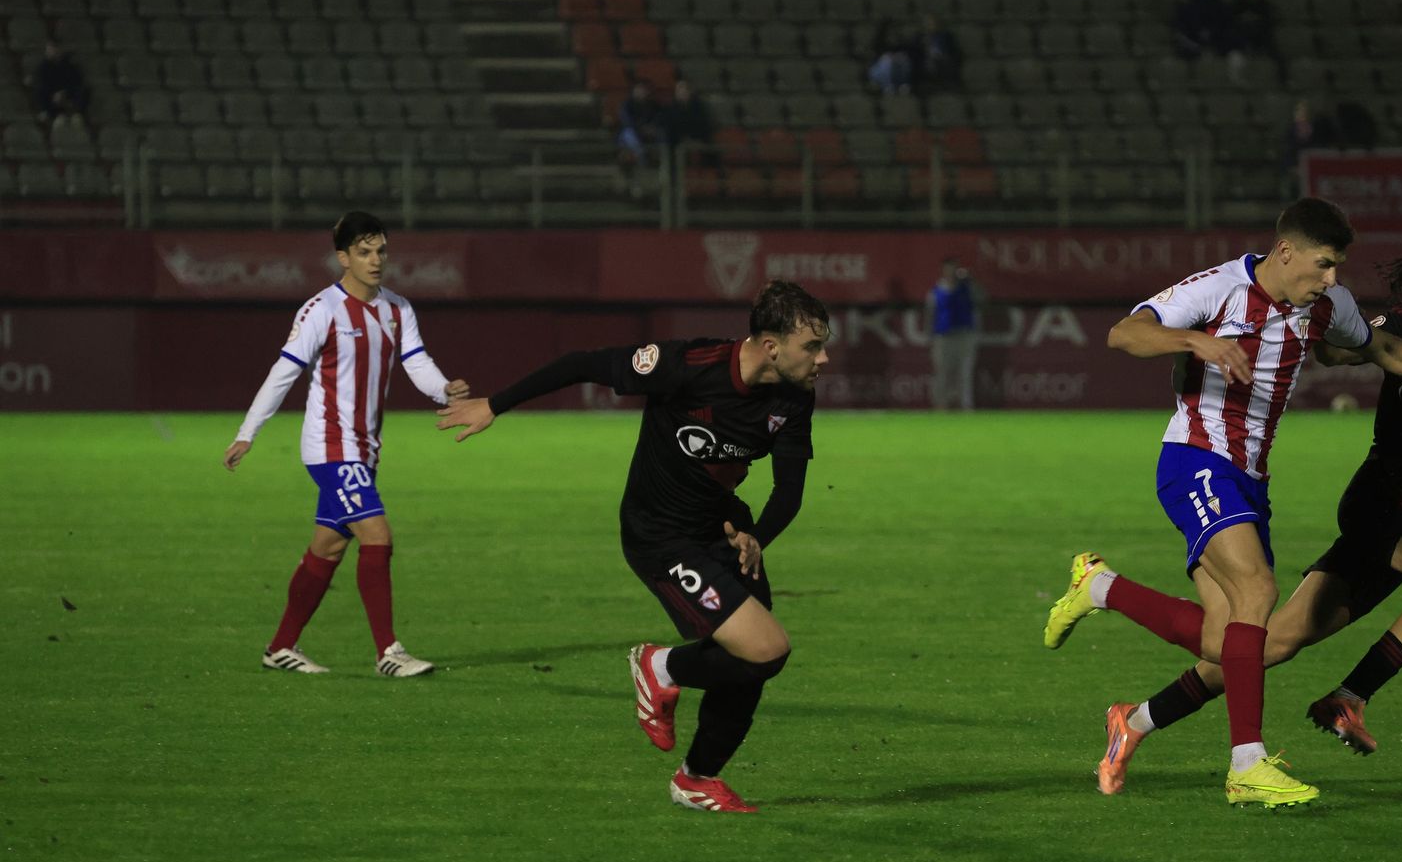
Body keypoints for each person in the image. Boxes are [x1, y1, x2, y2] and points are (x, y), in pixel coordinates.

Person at [1041, 199, 1402, 807]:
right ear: (1285, 253)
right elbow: (1126, 333)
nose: (1331, 279)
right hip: (1195, 459)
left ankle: (1102, 596)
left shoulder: (1328, 304)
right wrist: (1199, 341)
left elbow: (1388, 353)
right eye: (1323, 265)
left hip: (1250, 479)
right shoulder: (1220, 288)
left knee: (1231, 646)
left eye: (1337, 268)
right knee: (1257, 591)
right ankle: (1247, 765)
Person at [435, 280, 831, 814]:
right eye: (812, 346)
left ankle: (699, 777)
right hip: (659, 535)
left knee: (753, 662)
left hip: (720, 529)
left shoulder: (794, 397)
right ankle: (660, 666)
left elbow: (789, 491)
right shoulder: (688, 364)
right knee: (765, 647)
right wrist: (496, 405)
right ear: (769, 345)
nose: (823, 358)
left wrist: (756, 535)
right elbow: (581, 363)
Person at [224, 211, 469, 677]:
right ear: (343, 257)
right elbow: (284, 373)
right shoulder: (322, 310)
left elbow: (416, 361)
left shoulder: (397, 308)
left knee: (328, 548)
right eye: (364, 252)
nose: (375, 261)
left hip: (365, 449)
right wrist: (247, 433)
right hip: (331, 447)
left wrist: (444, 390)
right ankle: (388, 653)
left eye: (380, 251)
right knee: (377, 536)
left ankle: (280, 647)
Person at [925, 256, 983, 410]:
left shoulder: (967, 288)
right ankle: (941, 406)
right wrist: (929, 336)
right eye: (948, 268)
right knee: (942, 373)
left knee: (965, 373)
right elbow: (930, 315)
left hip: (965, 335)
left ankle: (965, 406)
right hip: (943, 336)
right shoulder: (936, 291)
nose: (951, 272)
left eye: (953, 268)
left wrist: (972, 281)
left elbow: (981, 299)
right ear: (943, 270)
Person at [33, 40, 89, 127]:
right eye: (49, 50)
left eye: (54, 49)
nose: (52, 52)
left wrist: (65, 93)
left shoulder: (71, 66)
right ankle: (46, 112)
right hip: (51, 99)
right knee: (40, 90)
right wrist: (54, 95)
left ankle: (77, 113)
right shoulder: (43, 68)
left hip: (68, 97)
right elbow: (42, 84)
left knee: (84, 90)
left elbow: (76, 82)